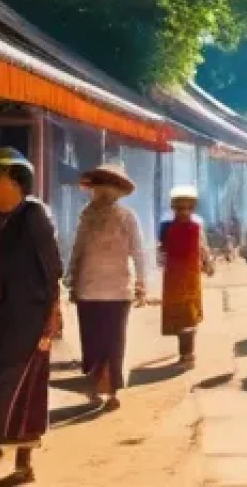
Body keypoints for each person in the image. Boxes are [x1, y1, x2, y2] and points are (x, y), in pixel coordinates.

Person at [0, 147, 62, 485]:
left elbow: (53, 270)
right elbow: (6, 268)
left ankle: (24, 461)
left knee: (24, 386)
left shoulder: (35, 215)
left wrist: (52, 316)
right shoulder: (11, 222)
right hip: (9, 317)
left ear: (14, 182)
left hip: (31, 319)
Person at [68, 162, 146, 410]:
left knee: (109, 340)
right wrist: (71, 277)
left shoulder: (126, 217)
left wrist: (142, 282)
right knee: (98, 340)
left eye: (106, 187)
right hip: (91, 289)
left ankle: (110, 390)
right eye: (99, 186)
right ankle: (99, 389)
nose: (102, 192)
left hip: (114, 289)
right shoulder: (87, 216)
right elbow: (78, 250)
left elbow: (138, 252)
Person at [159, 185, 214, 367]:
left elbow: (203, 247)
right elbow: (161, 251)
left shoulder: (197, 227)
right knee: (179, 316)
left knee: (189, 315)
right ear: (174, 208)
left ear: (193, 208)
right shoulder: (166, 227)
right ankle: (185, 354)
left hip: (190, 279)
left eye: (187, 207)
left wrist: (208, 263)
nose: (184, 211)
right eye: (180, 208)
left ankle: (188, 355)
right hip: (173, 278)